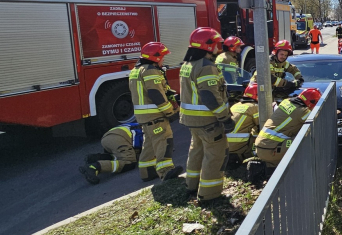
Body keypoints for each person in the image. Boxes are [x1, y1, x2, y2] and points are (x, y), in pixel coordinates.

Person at [180, 27, 235, 202]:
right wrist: (225, 118)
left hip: (192, 121)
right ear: (207, 45)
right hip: (208, 121)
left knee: (196, 151)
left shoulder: (187, 65)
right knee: (215, 155)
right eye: (216, 44)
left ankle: (191, 185)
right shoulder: (207, 67)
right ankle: (209, 195)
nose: (218, 47)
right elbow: (209, 96)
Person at [129, 42, 182, 182]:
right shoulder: (150, 70)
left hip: (143, 116)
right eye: (162, 57)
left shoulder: (136, 71)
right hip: (155, 115)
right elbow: (155, 93)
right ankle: (166, 171)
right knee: (164, 140)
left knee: (150, 143)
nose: (163, 59)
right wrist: (170, 111)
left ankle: (147, 172)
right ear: (155, 57)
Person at [247, 88, 321, 183]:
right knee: (305, 139)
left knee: (274, 166)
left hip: (262, 146)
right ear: (312, 102)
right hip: (271, 149)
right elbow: (317, 121)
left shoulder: (286, 101)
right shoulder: (302, 112)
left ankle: (264, 170)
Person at [79, 123, 143, 184]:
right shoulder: (148, 132)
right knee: (129, 163)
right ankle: (95, 167)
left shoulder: (143, 124)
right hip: (119, 139)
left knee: (122, 155)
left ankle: (96, 158)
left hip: (107, 137)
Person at [226, 82, 260, 168]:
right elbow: (262, 127)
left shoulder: (235, 105)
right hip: (237, 146)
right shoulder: (255, 107)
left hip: (224, 146)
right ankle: (254, 156)